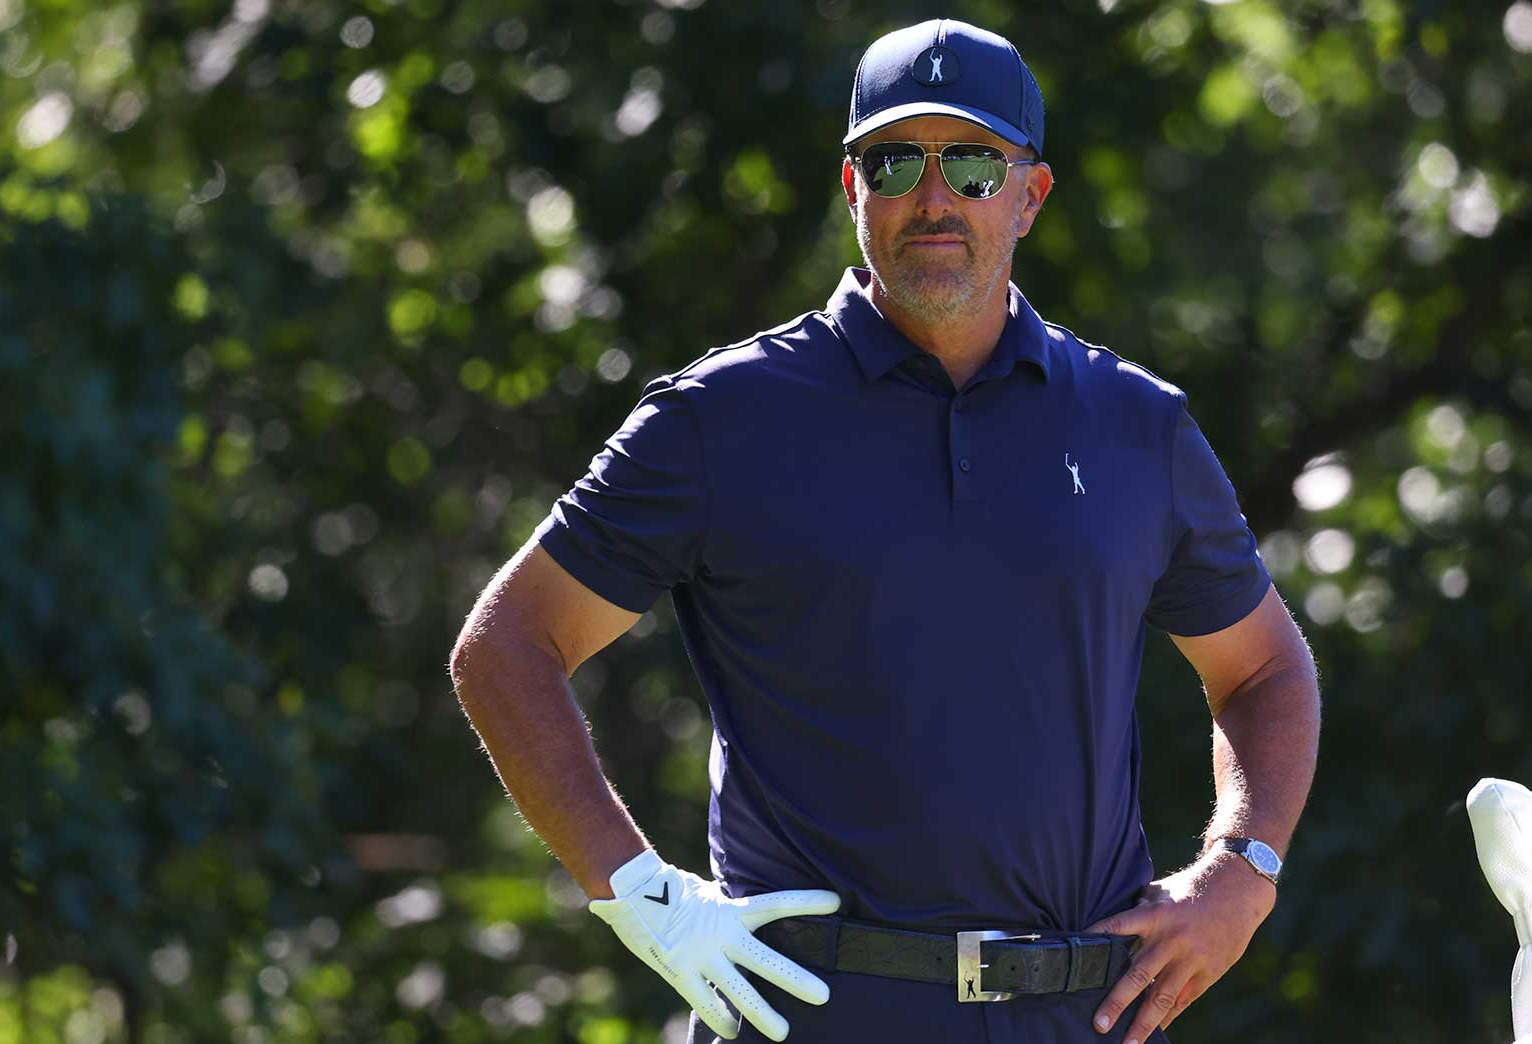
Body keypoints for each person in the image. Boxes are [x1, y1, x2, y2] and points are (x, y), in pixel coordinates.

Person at [450, 18, 1320, 1044]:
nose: (932, 196)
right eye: (895, 161)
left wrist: (1241, 871)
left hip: (1080, 1016)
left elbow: (1265, 669)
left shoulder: (1135, 426)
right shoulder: (723, 419)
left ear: (1030, 195)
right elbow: (506, 645)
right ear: (853, 188)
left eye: (972, 164)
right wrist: (638, 892)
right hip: (812, 1012)